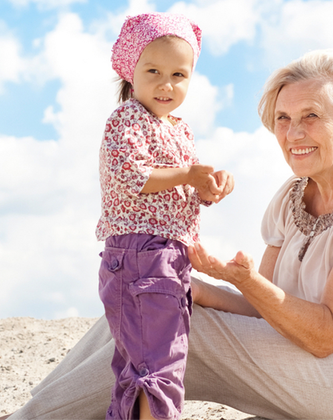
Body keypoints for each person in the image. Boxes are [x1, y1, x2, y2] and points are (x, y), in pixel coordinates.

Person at [0, 49, 333, 420]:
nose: (292, 133)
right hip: (314, 364)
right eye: (282, 119)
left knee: (176, 330)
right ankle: (34, 409)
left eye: (311, 116)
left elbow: (326, 333)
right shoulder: (293, 196)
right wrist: (200, 288)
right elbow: (272, 314)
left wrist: (243, 281)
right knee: (150, 298)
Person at [99, 13, 233, 420]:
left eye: (179, 74)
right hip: (141, 252)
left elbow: (185, 187)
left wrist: (209, 185)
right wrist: (189, 173)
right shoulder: (127, 120)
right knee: (157, 364)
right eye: (153, 70)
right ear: (130, 70)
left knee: (151, 360)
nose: (166, 84)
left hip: (169, 254)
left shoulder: (179, 129)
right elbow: (129, 175)